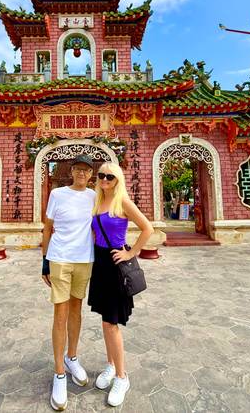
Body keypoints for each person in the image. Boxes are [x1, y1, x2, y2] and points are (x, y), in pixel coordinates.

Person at [88, 162, 153, 407]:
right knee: (105, 321)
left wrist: (130, 253)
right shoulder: (96, 201)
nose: (105, 180)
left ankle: (122, 377)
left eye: (110, 177)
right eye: (102, 176)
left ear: (118, 180)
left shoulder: (123, 202)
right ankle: (110, 365)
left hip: (115, 264)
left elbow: (148, 228)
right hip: (100, 265)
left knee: (112, 323)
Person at [42, 154, 96, 411]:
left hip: (84, 259)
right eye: (78, 169)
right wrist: (44, 260)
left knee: (77, 309)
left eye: (86, 170)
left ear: (91, 174)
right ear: (71, 171)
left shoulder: (95, 197)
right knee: (60, 312)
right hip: (60, 258)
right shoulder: (57, 194)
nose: (82, 174)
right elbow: (47, 228)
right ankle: (59, 372)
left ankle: (72, 357)